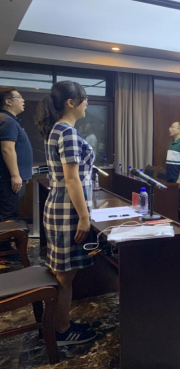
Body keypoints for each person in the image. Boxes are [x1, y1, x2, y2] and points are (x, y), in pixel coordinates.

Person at [35, 80, 97, 346]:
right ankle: (61, 330)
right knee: (65, 275)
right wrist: (84, 217)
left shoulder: (56, 129)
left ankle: (57, 324)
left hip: (59, 206)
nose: (87, 103)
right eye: (84, 98)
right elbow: (72, 179)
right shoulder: (68, 132)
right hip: (66, 210)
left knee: (62, 272)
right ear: (71, 102)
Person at [0, 87, 33, 222]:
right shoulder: (7, 121)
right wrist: (15, 175)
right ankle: (6, 237)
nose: (23, 100)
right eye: (19, 97)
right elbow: (7, 149)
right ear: (8, 101)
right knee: (8, 216)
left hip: (8, 179)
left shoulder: (8, 120)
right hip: (8, 180)